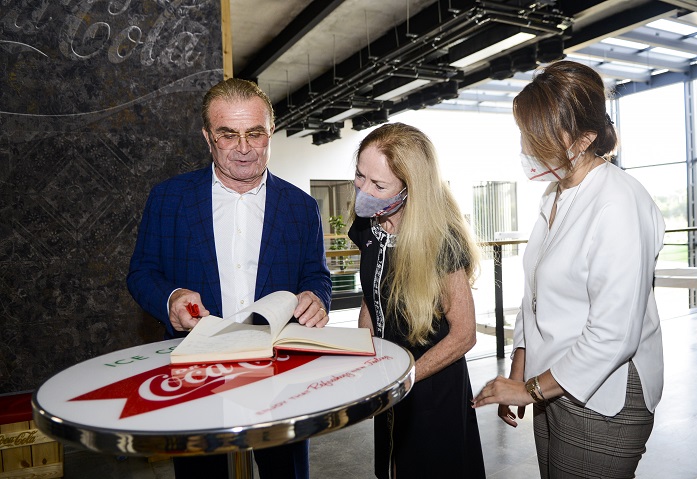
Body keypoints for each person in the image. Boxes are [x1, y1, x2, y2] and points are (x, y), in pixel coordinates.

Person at [127, 78, 332, 479]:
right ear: (208, 137)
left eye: (255, 133)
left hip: (280, 373)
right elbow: (142, 272)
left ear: (271, 131)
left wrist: (315, 296)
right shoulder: (168, 199)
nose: (243, 147)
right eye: (228, 134)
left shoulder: (302, 207)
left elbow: (316, 275)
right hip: (196, 372)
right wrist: (171, 298)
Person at [472, 60, 665, 478]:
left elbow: (614, 334)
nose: (527, 146)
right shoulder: (555, 194)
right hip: (551, 382)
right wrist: (519, 373)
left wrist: (528, 390)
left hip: (603, 395)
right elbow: (534, 296)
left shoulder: (617, 202)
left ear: (584, 139)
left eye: (537, 135)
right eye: (525, 133)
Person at [347, 123, 486, 478]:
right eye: (360, 176)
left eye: (379, 185)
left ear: (411, 188)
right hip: (389, 381)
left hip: (432, 383)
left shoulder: (441, 238)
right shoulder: (368, 226)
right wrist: (365, 355)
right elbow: (371, 297)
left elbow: (464, 334)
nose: (364, 191)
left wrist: (405, 377)